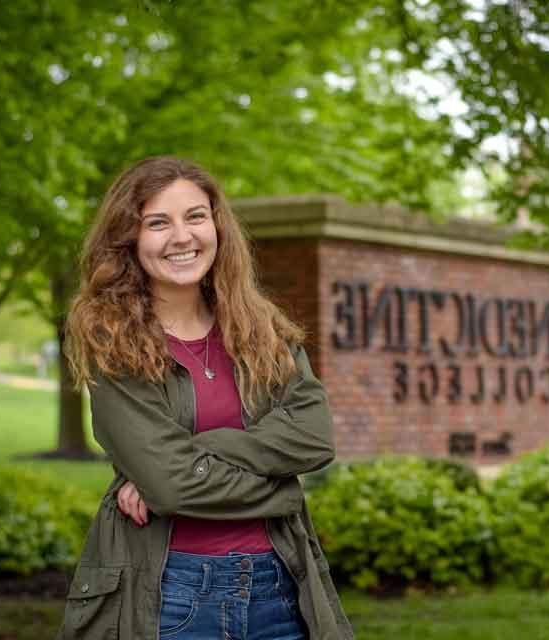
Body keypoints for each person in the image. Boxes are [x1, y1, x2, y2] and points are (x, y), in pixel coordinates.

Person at [59, 156, 353, 640]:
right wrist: (282, 488)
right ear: (129, 238)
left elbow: (314, 438)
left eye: (196, 216)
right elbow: (173, 486)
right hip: (171, 594)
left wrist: (194, 454)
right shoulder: (110, 336)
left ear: (217, 224)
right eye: (158, 223)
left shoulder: (263, 329)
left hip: (279, 587)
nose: (182, 236)